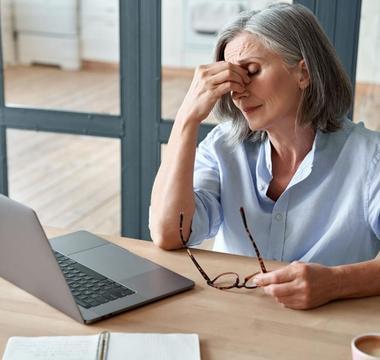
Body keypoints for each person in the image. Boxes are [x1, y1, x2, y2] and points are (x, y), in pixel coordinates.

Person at [149, 3, 380, 310]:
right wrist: (186, 119)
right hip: (237, 323)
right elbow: (169, 234)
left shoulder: (370, 157)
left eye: (252, 71)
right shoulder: (223, 148)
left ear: (304, 72)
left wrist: (336, 282)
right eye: (231, 77)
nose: (237, 91)